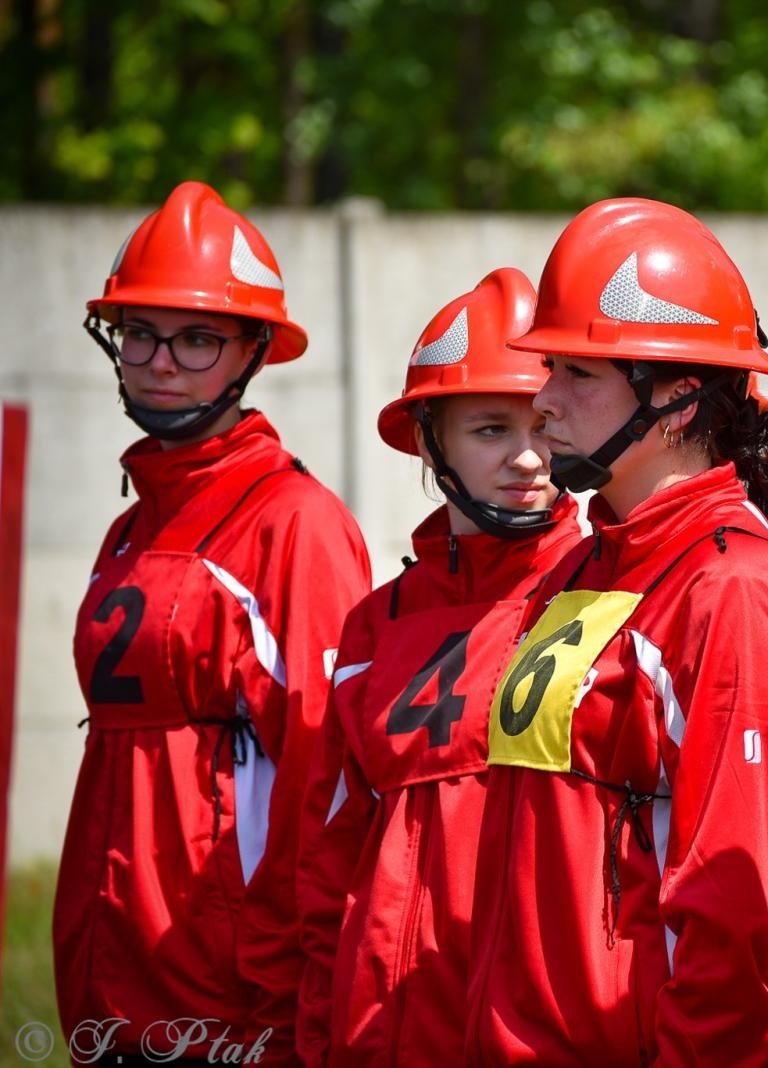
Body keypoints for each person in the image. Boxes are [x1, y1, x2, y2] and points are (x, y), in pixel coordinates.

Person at [464, 198, 768, 1067]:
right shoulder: (586, 565)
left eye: (577, 373)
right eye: (550, 367)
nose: (542, 401)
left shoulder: (734, 586)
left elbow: (741, 903)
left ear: (677, 400)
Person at [61, 180, 370, 1066]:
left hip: (228, 1009)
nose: (161, 361)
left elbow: (323, 783)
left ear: (253, 351)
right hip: (107, 991)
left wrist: (289, 1000)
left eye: (197, 338)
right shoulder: (130, 530)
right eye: (140, 333)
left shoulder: (294, 523)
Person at [295, 268, 582, 1066]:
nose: (529, 459)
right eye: (491, 429)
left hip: (537, 1042)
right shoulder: (373, 627)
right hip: (379, 1038)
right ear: (430, 442)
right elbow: (327, 863)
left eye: (545, 426)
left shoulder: (609, 599)